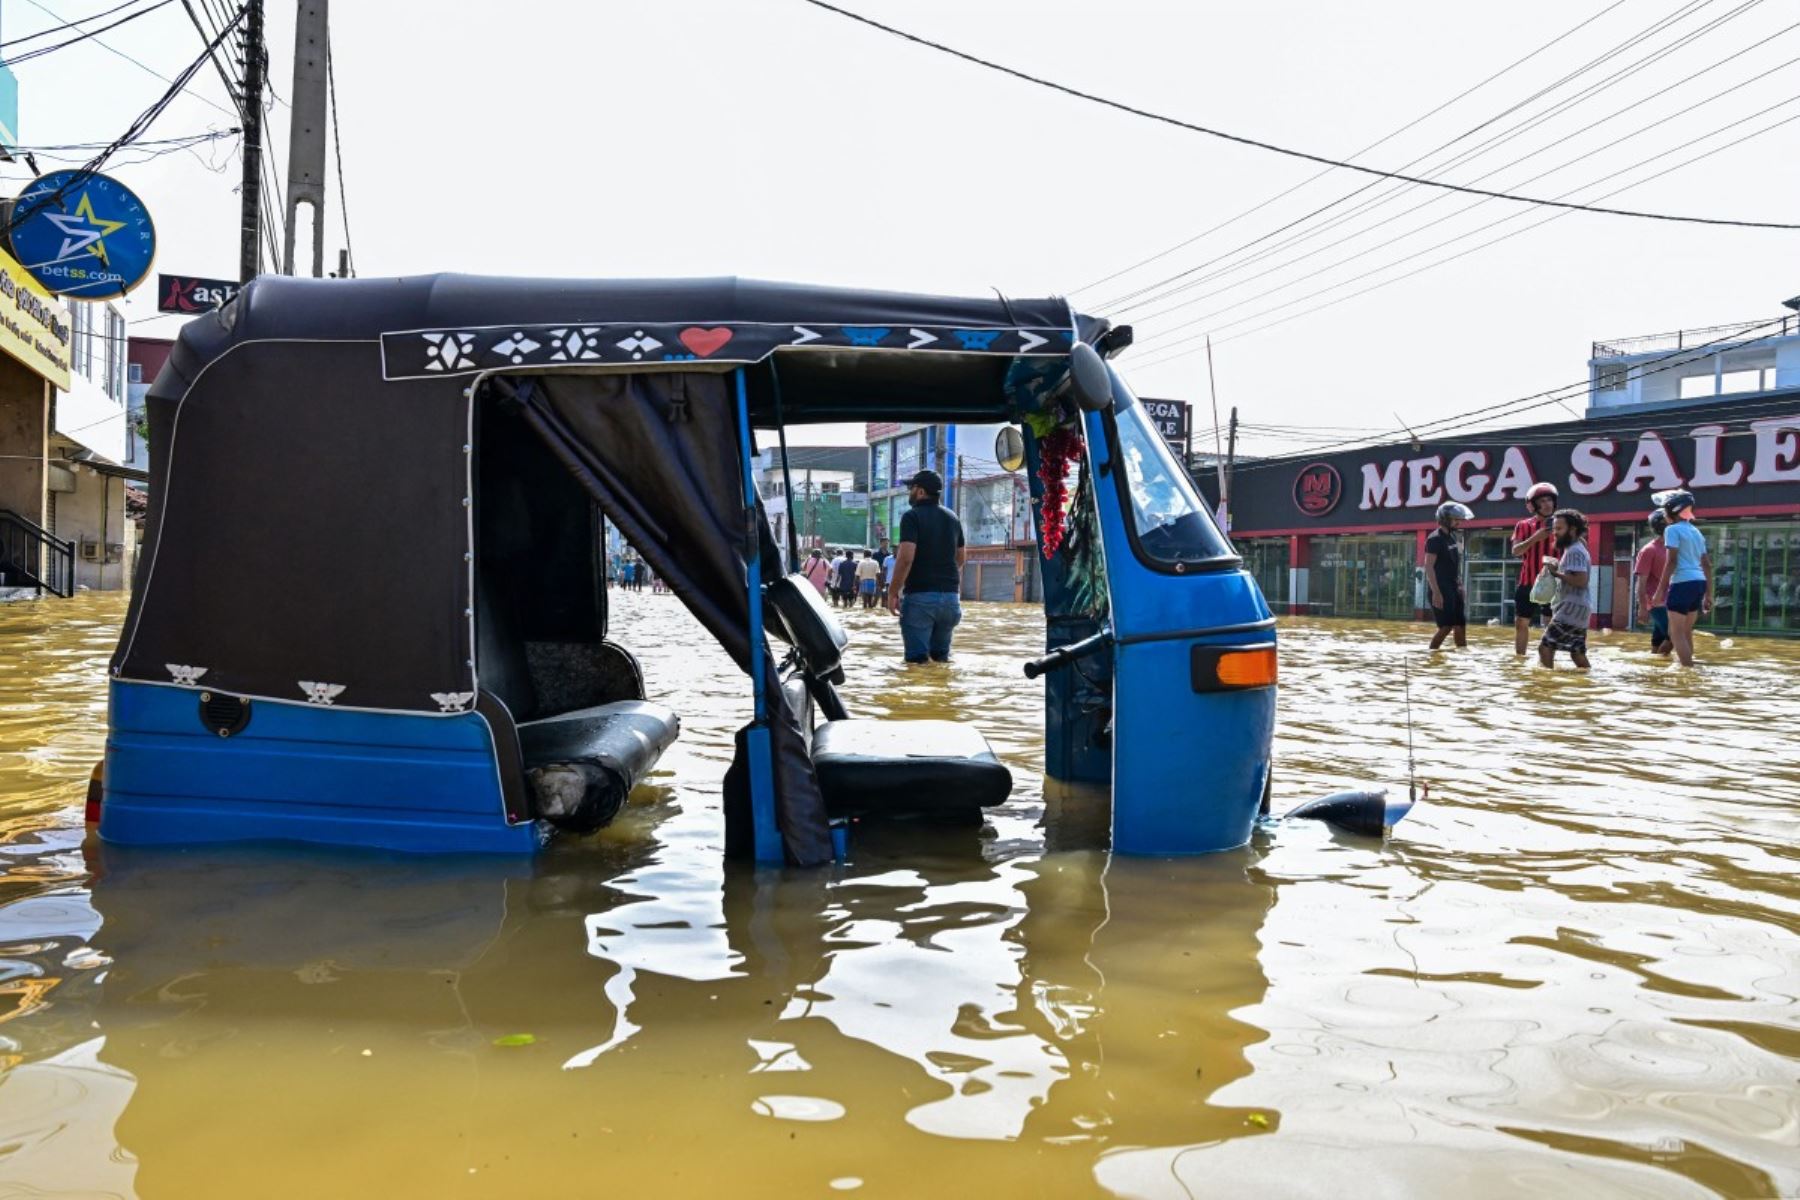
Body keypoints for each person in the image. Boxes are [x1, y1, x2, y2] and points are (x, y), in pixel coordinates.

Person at [886, 468, 966, 663]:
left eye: (911, 488)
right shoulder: (953, 518)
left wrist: (892, 592)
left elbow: (905, 558)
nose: (909, 493)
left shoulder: (912, 517)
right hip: (950, 600)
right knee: (941, 660)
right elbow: (961, 558)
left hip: (920, 598)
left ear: (920, 491)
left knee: (916, 664)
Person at [1655, 489, 1713, 668]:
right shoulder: (1696, 532)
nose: (1663, 515)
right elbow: (1707, 564)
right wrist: (1709, 595)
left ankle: (1688, 671)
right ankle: (1686, 665)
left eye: (1665, 511)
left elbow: (1671, 561)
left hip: (1682, 583)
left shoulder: (1672, 530)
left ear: (1673, 511)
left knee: (1676, 633)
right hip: (1699, 583)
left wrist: (1659, 591)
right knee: (1686, 631)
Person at [1537, 508, 1592, 670]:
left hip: (1571, 608)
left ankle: (1547, 685)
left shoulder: (1574, 550)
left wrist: (1556, 573)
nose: (1555, 533)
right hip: (1579, 608)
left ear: (1573, 530)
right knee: (1577, 652)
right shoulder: (1576, 546)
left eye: (1559, 529)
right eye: (1554, 529)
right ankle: (1587, 680)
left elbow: (1581, 580)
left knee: (1545, 647)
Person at [1510, 481, 1560, 655]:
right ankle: (1520, 659)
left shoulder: (1562, 525)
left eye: (1550, 500)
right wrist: (1534, 539)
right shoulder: (1524, 525)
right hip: (1527, 582)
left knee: (1550, 623)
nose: (1547, 504)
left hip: (1553, 583)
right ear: (1533, 506)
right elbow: (1516, 551)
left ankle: (1546, 659)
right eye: (1543, 501)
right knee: (1521, 623)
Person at [1425, 501, 1472, 650]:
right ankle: (1431, 655)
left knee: (1460, 625)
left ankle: (1462, 658)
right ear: (1445, 519)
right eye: (1456, 519)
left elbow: (1453, 566)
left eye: (1460, 519)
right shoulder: (1434, 539)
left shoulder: (1451, 538)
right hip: (1440, 588)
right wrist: (1436, 593)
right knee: (1446, 627)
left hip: (1453, 587)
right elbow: (1428, 566)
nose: (1459, 522)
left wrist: (1459, 585)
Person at [1632, 510, 1672, 656]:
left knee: (1660, 638)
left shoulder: (1672, 548)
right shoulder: (1649, 550)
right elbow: (1641, 582)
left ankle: (1654, 670)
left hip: (1671, 600)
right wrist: (1642, 607)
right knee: (1674, 637)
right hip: (1657, 603)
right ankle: (1661, 667)